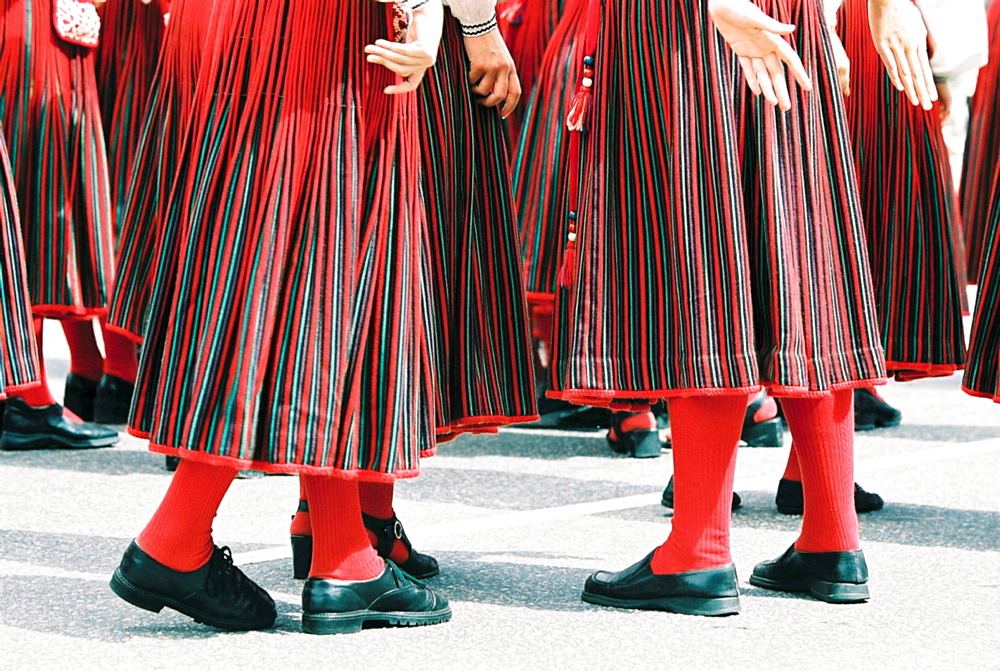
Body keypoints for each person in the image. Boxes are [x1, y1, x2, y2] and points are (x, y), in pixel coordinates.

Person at [544, 0, 934, 616]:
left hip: (683, 25)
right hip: (792, 16)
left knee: (702, 264)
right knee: (801, 265)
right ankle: (832, 542)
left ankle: (697, 552)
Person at [108, 0, 453, 635]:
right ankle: (185, 537)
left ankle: (341, 554)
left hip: (248, 26)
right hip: (327, 36)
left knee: (285, 258)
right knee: (327, 258)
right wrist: (426, 15)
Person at [289, 0, 538, 581]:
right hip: (413, 30)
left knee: (347, 253)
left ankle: (338, 514)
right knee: (386, 271)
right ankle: (359, 525)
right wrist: (476, 25)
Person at [0, 0, 120, 448]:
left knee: (41, 212)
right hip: (30, 37)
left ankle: (36, 390)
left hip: (49, 34)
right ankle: (27, 396)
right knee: (30, 211)